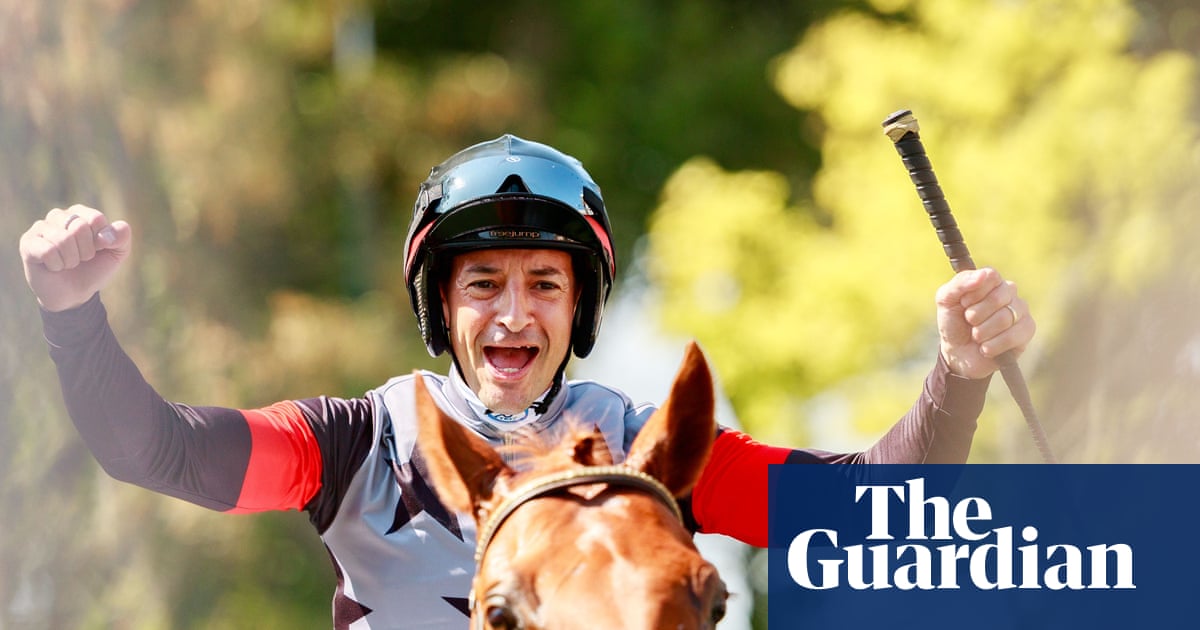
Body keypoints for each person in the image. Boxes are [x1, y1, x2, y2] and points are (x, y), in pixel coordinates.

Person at [20, 134, 1035, 629]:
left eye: (545, 283)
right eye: (484, 285)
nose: (514, 315)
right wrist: (71, 314)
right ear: (441, 307)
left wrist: (959, 370)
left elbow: (867, 511)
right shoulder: (352, 441)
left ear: (579, 307)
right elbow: (156, 450)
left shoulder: (649, 457)